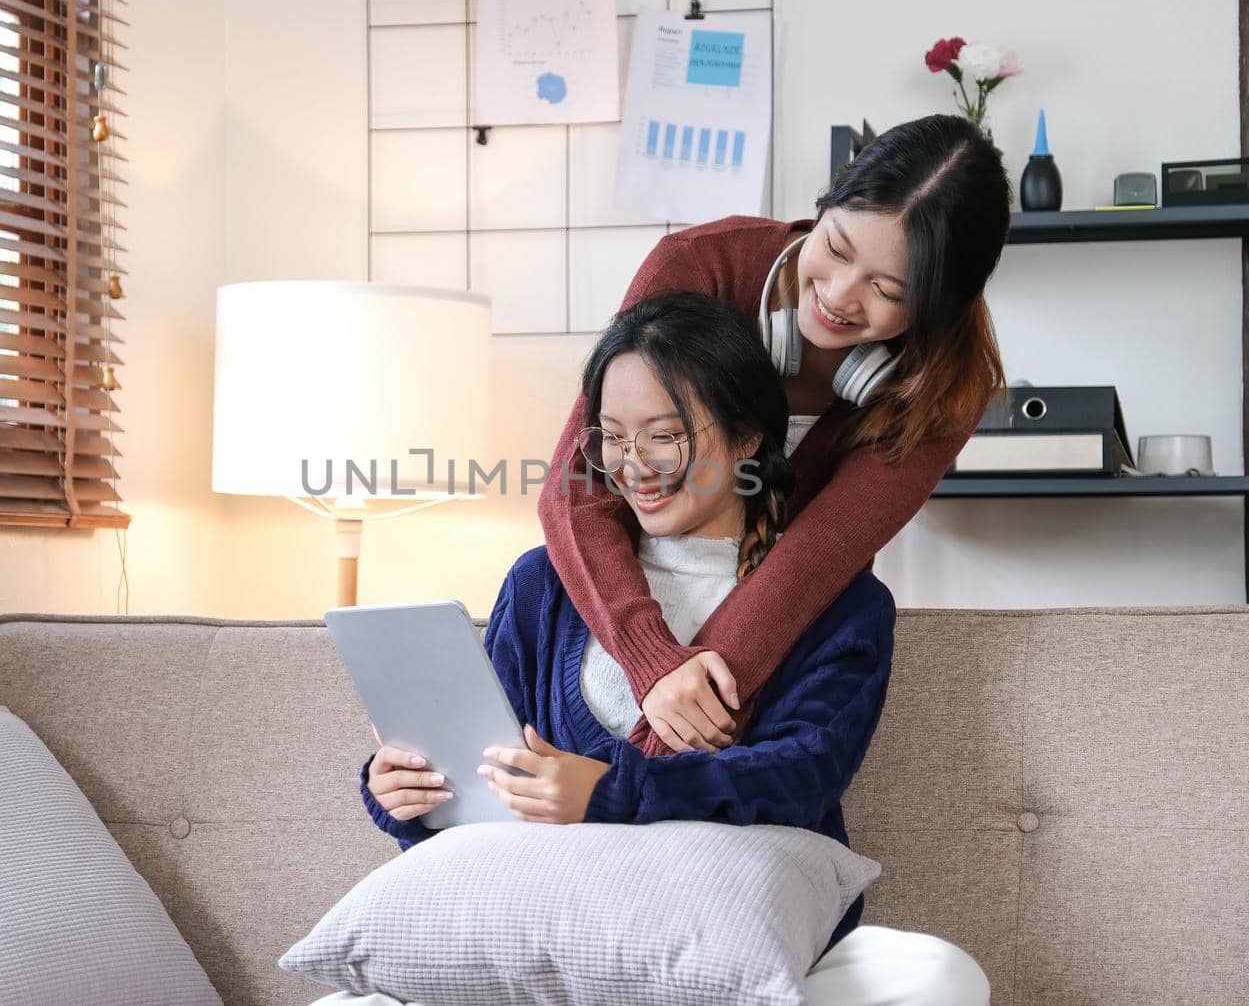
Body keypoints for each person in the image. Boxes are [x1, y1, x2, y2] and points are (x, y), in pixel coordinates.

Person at [323, 292, 988, 1006]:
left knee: (933, 977)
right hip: (546, 928)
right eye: (612, 436)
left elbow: (802, 779)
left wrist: (608, 792)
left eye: (663, 435)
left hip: (722, 941)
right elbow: (494, 778)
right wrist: (405, 792)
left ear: (748, 437)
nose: (632, 464)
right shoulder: (544, 583)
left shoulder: (840, 605)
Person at [540, 113, 1010, 758]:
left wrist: (635, 771)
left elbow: (809, 564)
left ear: (940, 304)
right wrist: (650, 661)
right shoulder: (699, 266)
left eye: (887, 289)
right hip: (634, 628)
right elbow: (578, 485)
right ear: (823, 208)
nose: (840, 297)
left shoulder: (946, 385)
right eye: (837, 248)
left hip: (765, 678)